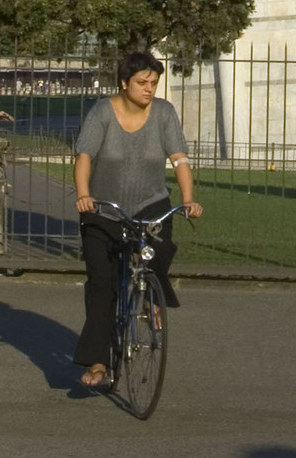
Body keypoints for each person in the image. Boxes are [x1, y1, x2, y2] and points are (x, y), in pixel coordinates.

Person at [72, 51, 200, 391]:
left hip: (149, 205)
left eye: (154, 83)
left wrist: (188, 199)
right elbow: (85, 156)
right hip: (104, 209)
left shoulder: (163, 113)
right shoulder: (102, 112)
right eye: (142, 83)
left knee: (160, 248)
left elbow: (180, 159)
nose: (149, 90)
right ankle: (98, 361)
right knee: (102, 284)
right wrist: (83, 195)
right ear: (124, 83)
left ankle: (151, 296)